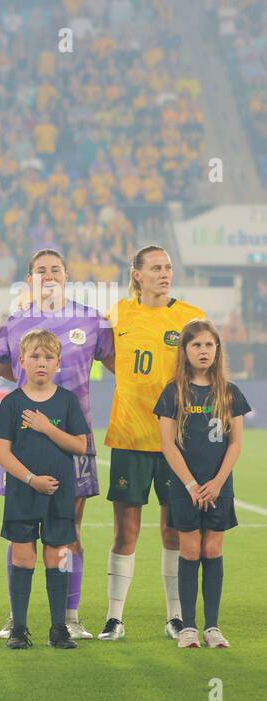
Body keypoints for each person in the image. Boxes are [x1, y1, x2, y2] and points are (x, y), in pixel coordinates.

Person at [0, 249, 114, 642]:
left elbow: (120, 365)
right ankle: (15, 618)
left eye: (56, 269)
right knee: (20, 533)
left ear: (67, 275)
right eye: (41, 270)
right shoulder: (16, 320)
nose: (49, 274)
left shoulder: (92, 320)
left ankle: (69, 616)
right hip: (21, 446)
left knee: (69, 531)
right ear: (30, 278)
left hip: (73, 443)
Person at [99, 245, 205, 641]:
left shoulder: (190, 317)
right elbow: (109, 356)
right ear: (137, 274)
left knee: (173, 530)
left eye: (168, 268)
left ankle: (175, 617)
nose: (165, 274)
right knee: (126, 531)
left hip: (176, 441)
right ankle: (114, 617)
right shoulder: (119, 314)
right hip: (129, 436)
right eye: (156, 268)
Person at [0, 330, 91, 650]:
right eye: (34, 356)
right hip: (24, 491)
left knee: (57, 555)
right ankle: (19, 627)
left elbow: (79, 445)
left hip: (60, 493)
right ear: (21, 361)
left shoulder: (67, 401)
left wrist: (47, 427)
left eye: (48, 357)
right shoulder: (11, 403)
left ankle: (58, 628)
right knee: (22, 555)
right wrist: (32, 479)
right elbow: (2, 453)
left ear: (58, 363)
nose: (41, 363)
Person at [155, 319, 249, 648]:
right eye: (196, 345)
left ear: (218, 350)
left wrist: (217, 482)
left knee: (212, 550)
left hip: (219, 487)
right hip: (185, 487)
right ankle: (189, 627)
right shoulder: (174, 392)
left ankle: (212, 627)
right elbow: (167, 444)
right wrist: (192, 484)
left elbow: (235, 443)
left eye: (209, 345)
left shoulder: (229, 392)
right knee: (190, 551)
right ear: (185, 351)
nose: (203, 351)